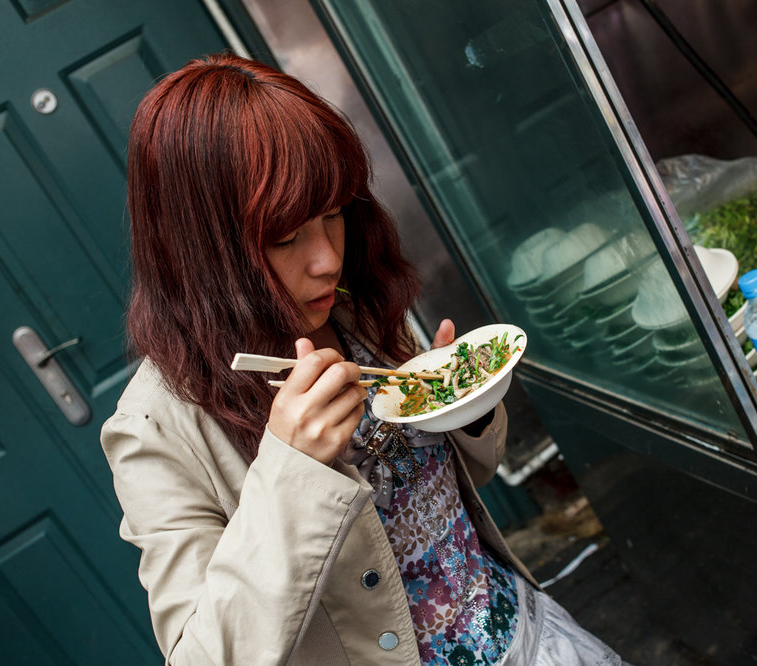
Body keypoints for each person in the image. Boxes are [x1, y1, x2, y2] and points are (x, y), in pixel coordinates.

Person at [100, 53, 623, 665]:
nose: (327, 259)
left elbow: (457, 490)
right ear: (201, 251)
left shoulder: (352, 311)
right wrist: (292, 469)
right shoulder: (154, 429)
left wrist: (461, 403)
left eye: (333, 215)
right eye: (285, 236)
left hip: (533, 633)